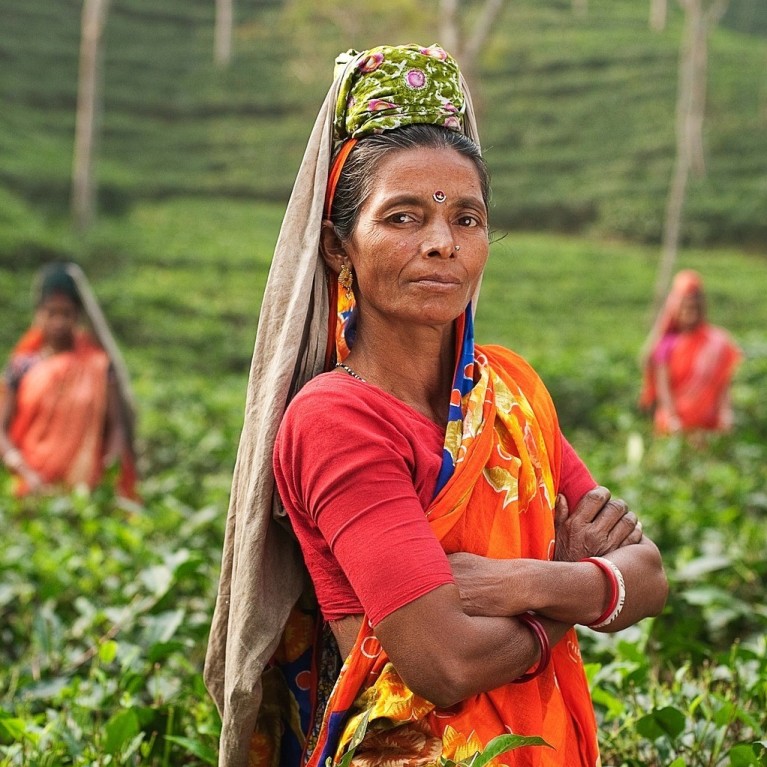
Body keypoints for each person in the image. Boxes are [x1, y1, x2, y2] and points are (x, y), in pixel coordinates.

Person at [204, 44, 668, 767]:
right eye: (402, 217)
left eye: (468, 219)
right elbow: (443, 662)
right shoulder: (335, 419)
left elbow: (650, 574)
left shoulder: (510, 388)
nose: (441, 244)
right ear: (337, 247)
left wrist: (525, 580)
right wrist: (575, 597)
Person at [0, 262, 138, 499]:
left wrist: (107, 472)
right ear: (39, 314)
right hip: (28, 485)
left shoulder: (98, 365)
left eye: (66, 313)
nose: (59, 322)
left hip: (85, 490)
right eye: (51, 313)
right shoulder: (23, 365)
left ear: (77, 316)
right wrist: (22, 469)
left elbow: (116, 426)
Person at [639, 269, 742, 437]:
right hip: (675, 425)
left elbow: (723, 384)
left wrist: (726, 412)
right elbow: (663, 387)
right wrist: (672, 418)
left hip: (709, 425)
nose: (689, 313)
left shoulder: (716, 343)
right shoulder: (666, 344)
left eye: (694, 308)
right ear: (675, 308)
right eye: (685, 307)